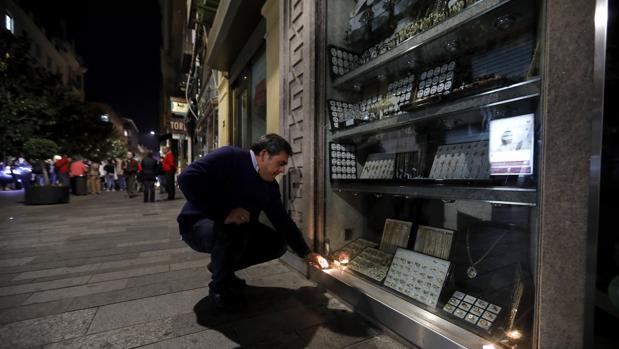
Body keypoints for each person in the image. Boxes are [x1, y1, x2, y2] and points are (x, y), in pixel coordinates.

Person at [177, 133, 328, 311]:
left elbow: (282, 220)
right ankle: (220, 288)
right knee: (236, 226)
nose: (282, 171)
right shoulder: (230, 157)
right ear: (264, 155)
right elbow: (186, 178)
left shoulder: (270, 186)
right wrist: (224, 213)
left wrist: (306, 253)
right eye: (280, 164)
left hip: (234, 229)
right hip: (197, 224)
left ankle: (221, 268)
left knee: (277, 244)